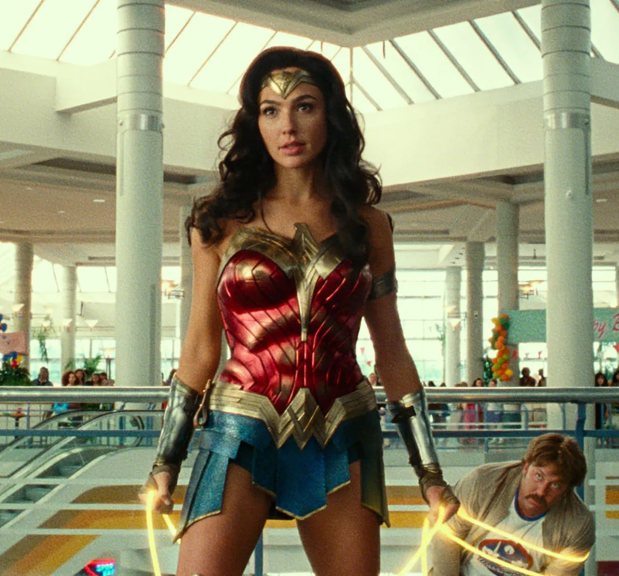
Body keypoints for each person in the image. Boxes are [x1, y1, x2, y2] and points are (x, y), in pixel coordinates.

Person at [140, 47, 457, 576]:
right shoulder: (217, 223)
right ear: (255, 123)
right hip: (240, 431)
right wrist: (165, 461)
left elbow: (392, 352)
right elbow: (200, 347)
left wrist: (430, 474)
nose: (287, 126)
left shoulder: (369, 225)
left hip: (341, 430)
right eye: (271, 110)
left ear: (330, 116)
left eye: (304, 106)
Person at [430, 433, 595, 576]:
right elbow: (447, 538)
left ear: (566, 491)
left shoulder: (578, 526)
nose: (541, 491)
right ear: (525, 468)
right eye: (538, 476)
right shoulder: (483, 481)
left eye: (555, 485)